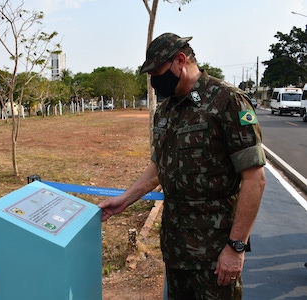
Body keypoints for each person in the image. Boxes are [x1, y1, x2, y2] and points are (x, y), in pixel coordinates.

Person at [98, 33, 266, 300]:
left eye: (157, 72)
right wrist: (124, 201)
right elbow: (158, 168)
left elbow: (254, 179)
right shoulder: (166, 111)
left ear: (180, 61)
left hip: (214, 255)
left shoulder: (227, 102)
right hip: (176, 250)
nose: (154, 81)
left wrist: (236, 248)